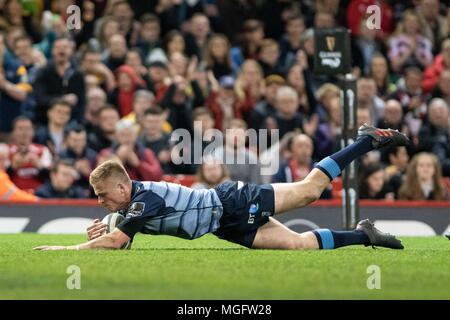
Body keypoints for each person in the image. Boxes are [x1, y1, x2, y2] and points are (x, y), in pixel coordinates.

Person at [34, 123, 408, 251]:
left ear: (122, 186)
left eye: (102, 195)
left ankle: (365, 140)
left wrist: (67, 247)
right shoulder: (130, 205)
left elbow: (120, 240)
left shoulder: (142, 198)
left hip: (232, 200)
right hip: (222, 227)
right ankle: (365, 235)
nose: (100, 202)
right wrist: (110, 228)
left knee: (311, 189)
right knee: (298, 245)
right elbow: (124, 241)